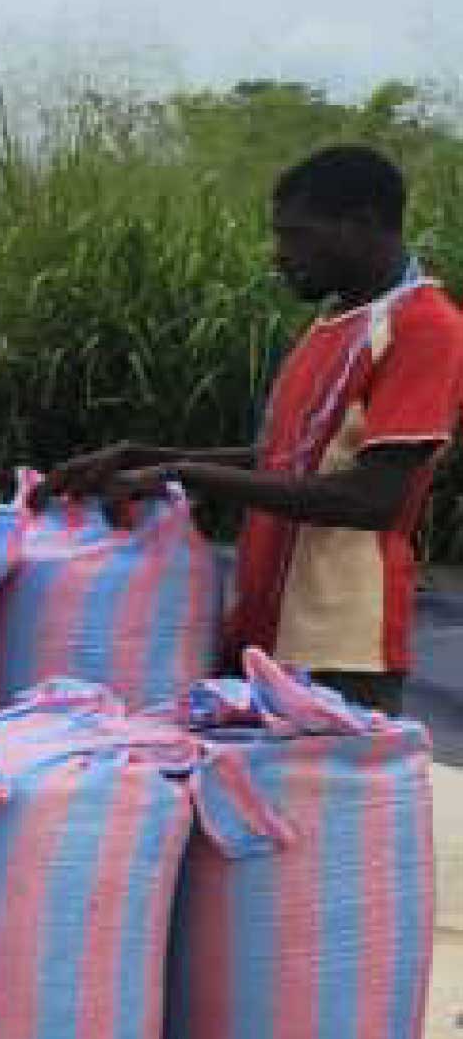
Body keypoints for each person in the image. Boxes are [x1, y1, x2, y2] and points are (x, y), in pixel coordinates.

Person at [40, 142, 463, 716]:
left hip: (339, 651)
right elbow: (286, 458)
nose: (280, 255)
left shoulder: (425, 328)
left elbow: (372, 499)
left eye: (296, 235)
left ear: (360, 225)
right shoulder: (335, 324)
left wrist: (184, 473)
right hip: (266, 630)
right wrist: (141, 456)